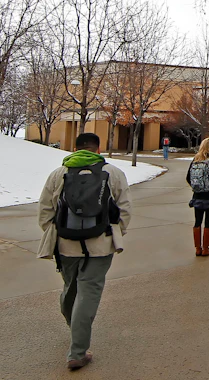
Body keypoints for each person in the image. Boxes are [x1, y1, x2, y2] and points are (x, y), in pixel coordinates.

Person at [37, 132, 131, 371]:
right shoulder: (113, 173)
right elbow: (124, 210)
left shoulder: (59, 173)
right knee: (88, 293)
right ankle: (77, 352)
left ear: (75, 148)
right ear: (97, 149)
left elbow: (45, 210)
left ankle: (76, 330)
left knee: (70, 290)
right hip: (100, 244)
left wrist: (53, 232)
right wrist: (115, 232)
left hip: (65, 244)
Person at [186, 137, 209, 256]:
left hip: (197, 195)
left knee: (197, 221)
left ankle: (197, 248)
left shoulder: (196, 159)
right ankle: (206, 249)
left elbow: (188, 177)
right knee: (208, 222)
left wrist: (196, 187)